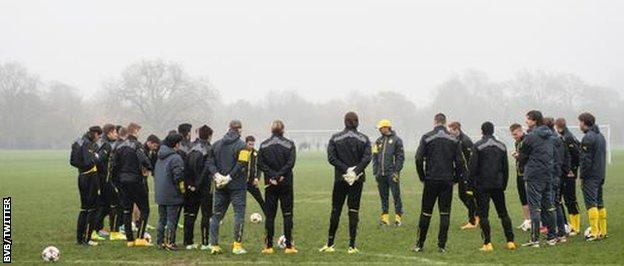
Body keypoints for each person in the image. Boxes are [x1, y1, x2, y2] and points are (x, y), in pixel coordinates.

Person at [319, 112, 372, 254]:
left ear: (344, 122)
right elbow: (367, 158)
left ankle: (330, 244)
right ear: (357, 122)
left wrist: (346, 170)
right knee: (353, 211)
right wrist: (355, 171)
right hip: (357, 179)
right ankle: (352, 246)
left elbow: (331, 157)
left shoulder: (335, 138)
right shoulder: (364, 139)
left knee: (336, 210)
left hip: (340, 178)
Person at [413, 113, 463, 253]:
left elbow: (418, 159)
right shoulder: (453, 138)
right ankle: (442, 245)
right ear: (445, 122)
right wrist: (455, 179)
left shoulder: (427, 137)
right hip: (447, 180)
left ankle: (419, 244)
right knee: (445, 213)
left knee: (426, 213)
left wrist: (422, 176)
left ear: (435, 122)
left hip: (431, 179)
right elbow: (460, 162)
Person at [469, 122, 515, 252]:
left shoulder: (478, 146)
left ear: (482, 131)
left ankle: (487, 243)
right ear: (493, 131)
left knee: (483, 215)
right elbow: (505, 168)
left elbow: (472, 168)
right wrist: (504, 184)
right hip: (498, 185)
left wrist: (470, 186)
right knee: (503, 213)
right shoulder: (502, 146)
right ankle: (510, 241)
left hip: (482, 185)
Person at [205, 120, 249, 255]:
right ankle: (237, 246)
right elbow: (242, 163)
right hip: (237, 186)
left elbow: (209, 162)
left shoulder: (216, 144)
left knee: (216, 216)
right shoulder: (243, 146)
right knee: (238, 215)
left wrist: (217, 175)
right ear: (239, 130)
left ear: (229, 128)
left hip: (220, 186)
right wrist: (228, 177)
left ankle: (214, 245)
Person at [518, 110, 557, 248]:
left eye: (527, 119)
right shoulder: (551, 135)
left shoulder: (530, 137)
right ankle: (552, 237)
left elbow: (523, 157)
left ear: (534, 120)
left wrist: (518, 158)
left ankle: (534, 240)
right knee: (550, 207)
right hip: (548, 174)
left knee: (535, 208)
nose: (526, 122)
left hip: (534, 175)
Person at [258, 120, 297, 254]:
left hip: (270, 184)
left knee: (270, 216)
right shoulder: (290, 144)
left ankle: (268, 246)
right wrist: (280, 175)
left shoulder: (263, 145)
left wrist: (272, 176)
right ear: (283, 130)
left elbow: (261, 164)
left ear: (271, 130)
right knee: (287, 214)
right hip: (285, 183)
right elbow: (291, 163)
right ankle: (289, 247)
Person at [113, 122, 154, 247]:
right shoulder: (137, 145)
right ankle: (140, 238)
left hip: (122, 182)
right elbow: (144, 160)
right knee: (145, 209)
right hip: (136, 181)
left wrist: (116, 182)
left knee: (127, 210)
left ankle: (130, 240)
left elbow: (113, 166)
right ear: (135, 131)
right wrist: (149, 168)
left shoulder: (119, 146)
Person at [182, 125, 214, 250]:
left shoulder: (189, 148)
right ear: (209, 136)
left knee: (190, 214)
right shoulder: (209, 149)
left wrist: (190, 184)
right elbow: (206, 170)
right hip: (204, 187)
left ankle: (188, 242)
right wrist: (197, 185)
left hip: (190, 187)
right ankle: (205, 243)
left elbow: (185, 169)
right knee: (206, 214)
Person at [71, 126, 103, 246]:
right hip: (90, 178)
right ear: (94, 133)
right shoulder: (88, 144)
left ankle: (80, 238)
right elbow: (90, 161)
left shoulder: (78, 141)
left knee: (84, 209)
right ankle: (86, 238)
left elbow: (72, 161)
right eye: (99, 135)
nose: (99, 138)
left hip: (81, 176)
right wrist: (97, 157)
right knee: (92, 209)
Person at [577, 112, 607, 241]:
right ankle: (603, 231)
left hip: (590, 176)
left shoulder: (588, 138)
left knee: (591, 204)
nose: (579, 125)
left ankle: (594, 233)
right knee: (599, 202)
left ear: (584, 122)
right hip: (600, 174)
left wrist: (582, 176)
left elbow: (585, 160)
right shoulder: (600, 136)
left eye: (580, 122)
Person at [93, 124, 126, 241]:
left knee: (104, 206)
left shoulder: (99, 143)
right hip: (106, 181)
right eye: (114, 133)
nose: (116, 135)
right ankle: (115, 232)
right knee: (116, 205)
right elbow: (98, 160)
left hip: (100, 180)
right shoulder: (106, 145)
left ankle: (94, 230)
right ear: (109, 133)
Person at [154, 133, 186, 250]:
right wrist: (182, 191)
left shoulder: (159, 156)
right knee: (171, 220)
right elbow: (179, 177)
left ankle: (160, 242)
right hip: (172, 194)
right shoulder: (176, 158)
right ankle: (169, 242)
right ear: (176, 144)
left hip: (160, 193)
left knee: (162, 219)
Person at [372, 119, 405, 226]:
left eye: (381, 128)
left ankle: (398, 217)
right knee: (383, 196)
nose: (379, 130)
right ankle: (385, 218)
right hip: (380, 174)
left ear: (386, 127)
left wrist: (396, 171)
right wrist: (375, 172)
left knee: (396, 195)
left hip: (392, 174)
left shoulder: (397, 140)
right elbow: (375, 157)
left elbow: (400, 157)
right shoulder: (378, 141)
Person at [545, 117, 571, 242]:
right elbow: (567, 156)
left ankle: (553, 234)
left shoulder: (549, 140)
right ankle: (561, 233)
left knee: (550, 205)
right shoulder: (560, 139)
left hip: (551, 174)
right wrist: (565, 171)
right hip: (559, 174)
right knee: (557, 203)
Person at [555, 118, 582, 235]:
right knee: (563, 199)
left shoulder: (568, 137)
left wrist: (572, 170)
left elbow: (577, 154)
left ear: (558, 126)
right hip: (564, 172)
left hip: (569, 173)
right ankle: (568, 225)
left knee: (570, 200)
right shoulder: (564, 136)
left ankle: (576, 227)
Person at [448, 121, 477, 229]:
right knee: (462, 195)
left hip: (467, 173)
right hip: (460, 172)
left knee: (469, 195)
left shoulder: (465, 141)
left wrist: (470, 173)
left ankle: (473, 220)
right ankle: (476, 214)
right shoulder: (456, 140)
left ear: (457, 130)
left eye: (451, 131)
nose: (450, 133)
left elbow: (471, 158)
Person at [509, 123, 531, 231]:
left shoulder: (527, 141)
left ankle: (534, 220)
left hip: (527, 173)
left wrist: (518, 156)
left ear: (521, 131)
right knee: (522, 197)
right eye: (513, 135)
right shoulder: (517, 142)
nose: (514, 136)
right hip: (519, 172)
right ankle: (527, 220)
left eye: (515, 134)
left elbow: (527, 157)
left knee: (529, 197)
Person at [244, 135, 266, 215]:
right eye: (249, 144)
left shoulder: (256, 153)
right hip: (241, 182)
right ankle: (219, 218)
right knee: (230, 199)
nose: (251, 146)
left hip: (251, 182)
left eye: (253, 144)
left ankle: (269, 217)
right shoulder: (242, 152)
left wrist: (257, 178)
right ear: (245, 143)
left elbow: (259, 167)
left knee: (260, 199)